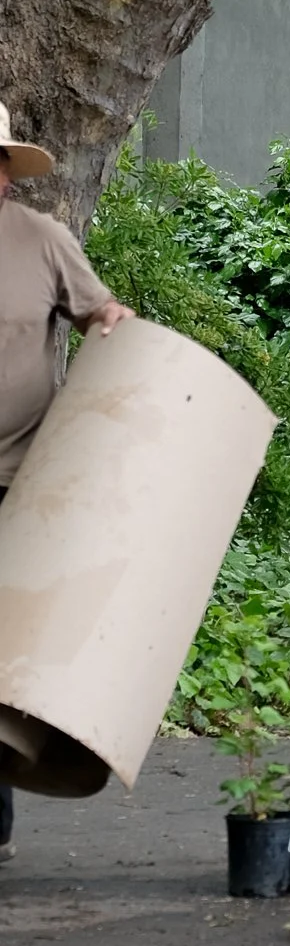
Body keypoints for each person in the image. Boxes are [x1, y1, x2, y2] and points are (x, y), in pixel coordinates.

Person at [0, 104, 131, 863]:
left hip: (20, 479)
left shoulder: (44, 241)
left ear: (6, 173)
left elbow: (98, 313)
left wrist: (113, 320)